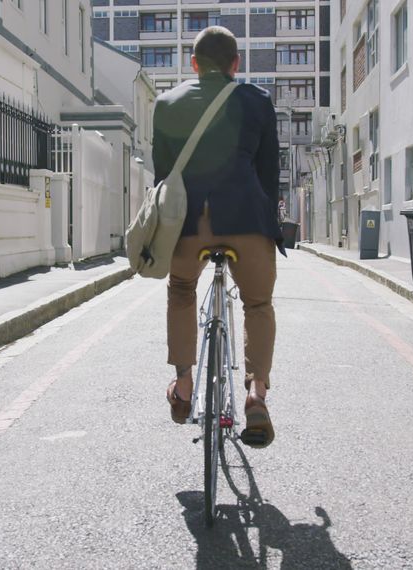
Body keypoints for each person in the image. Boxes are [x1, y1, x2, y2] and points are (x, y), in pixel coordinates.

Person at [152, 26, 284, 448]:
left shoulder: (167, 104)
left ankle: (185, 384)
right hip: (246, 219)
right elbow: (268, 176)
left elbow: (162, 177)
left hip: (189, 224)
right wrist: (271, 225)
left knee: (182, 289)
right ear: (236, 65)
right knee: (258, 303)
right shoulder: (257, 101)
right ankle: (255, 394)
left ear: (193, 64)